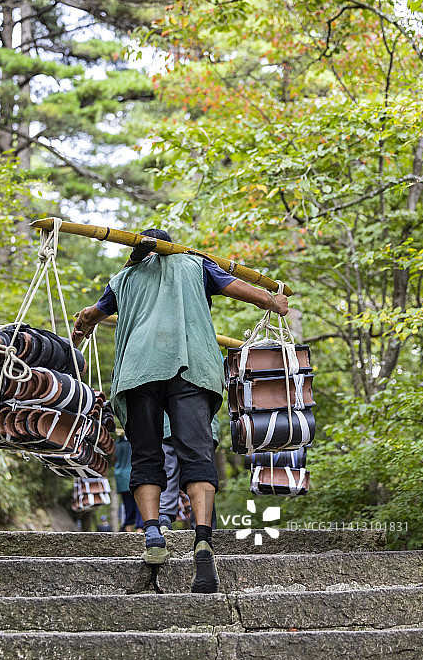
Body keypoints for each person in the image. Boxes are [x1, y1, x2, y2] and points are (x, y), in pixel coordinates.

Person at [72, 228, 288, 593]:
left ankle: (154, 532)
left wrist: (80, 330)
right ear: (171, 247)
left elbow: (91, 315)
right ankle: (202, 537)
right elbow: (239, 289)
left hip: (138, 371)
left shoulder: (123, 278)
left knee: (146, 455)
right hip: (188, 368)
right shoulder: (194, 264)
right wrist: (273, 302)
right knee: (195, 453)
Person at [114, 431, 143, 531]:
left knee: (128, 506)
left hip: (121, 477)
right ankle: (139, 529)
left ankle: (128, 529)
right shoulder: (136, 442)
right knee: (140, 504)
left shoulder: (118, 444)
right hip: (135, 474)